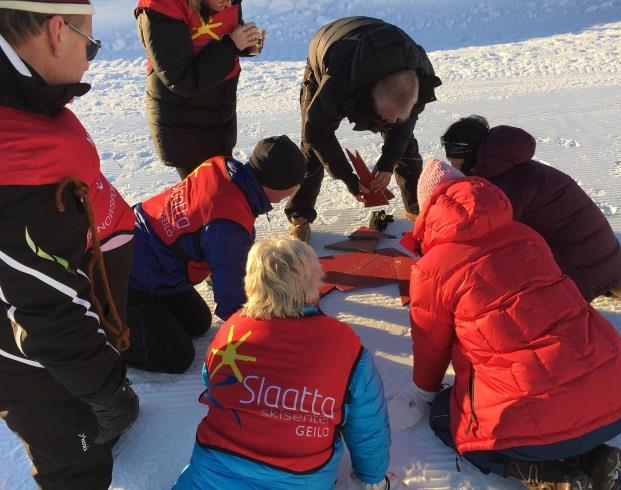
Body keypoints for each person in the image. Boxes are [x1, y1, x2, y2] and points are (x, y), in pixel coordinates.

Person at [390, 159, 621, 489]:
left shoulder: (432, 268)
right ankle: (595, 460)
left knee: (446, 417)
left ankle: (558, 477)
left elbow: (431, 345)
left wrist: (420, 393)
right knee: (559, 408)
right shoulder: (528, 236)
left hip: (538, 425)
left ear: (430, 211)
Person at [0, 2, 139, 488]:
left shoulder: (20, 104)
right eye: (91, 44)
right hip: (25, 365)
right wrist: (108, 391)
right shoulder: (26, 158)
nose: (90, 60)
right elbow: (47, 313)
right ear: (57, 31)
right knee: (76, 466)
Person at [174, 236, 395, 489]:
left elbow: (211, 379)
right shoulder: (344, 345)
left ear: (250, 282)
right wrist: (373, 478)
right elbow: (368, 422)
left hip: (212, 468)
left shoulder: (232, 331)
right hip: (300, 478)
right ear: (313, 281)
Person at [124, 136, 306, 374]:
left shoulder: (223, 167)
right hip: (126, 275)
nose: (293, 193)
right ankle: (106, 333)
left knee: (197, 323)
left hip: (149, 253)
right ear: (277, 184)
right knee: (177, 357)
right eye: (293, 187)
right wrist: (264, 341)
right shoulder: (228, 223)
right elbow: (231, 297)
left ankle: (150, 311)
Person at [439, 115, 621, 301]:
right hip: (606, 259)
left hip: (576, 273)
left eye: (454, 162)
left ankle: (584, 287)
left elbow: (483, 235)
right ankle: (613, 281)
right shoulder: (517, 168)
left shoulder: (504, 188)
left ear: (470, 156)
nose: (453, 168)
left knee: (494, 266)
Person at [287, 16, 442, 242]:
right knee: (311, 150)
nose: (387, 124)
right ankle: (299, 216)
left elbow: (403, 129)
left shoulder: (420, 77)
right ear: (371, 99)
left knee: (404, 142)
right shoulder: (339, 83)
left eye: (396, 118)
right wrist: (349, 178)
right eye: (384, 118)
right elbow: (317, 132)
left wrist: (388, 162)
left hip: (377, 42)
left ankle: (416, 208)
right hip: (327, 48)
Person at [135, 0, 263, 179]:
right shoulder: (162, 6)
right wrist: (231, 46)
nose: (228, 4)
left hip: (220, 111)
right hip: (183, 119)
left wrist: (244, 41)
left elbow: (213, 36)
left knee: (221, 185)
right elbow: (180, 79)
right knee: (204, 193)